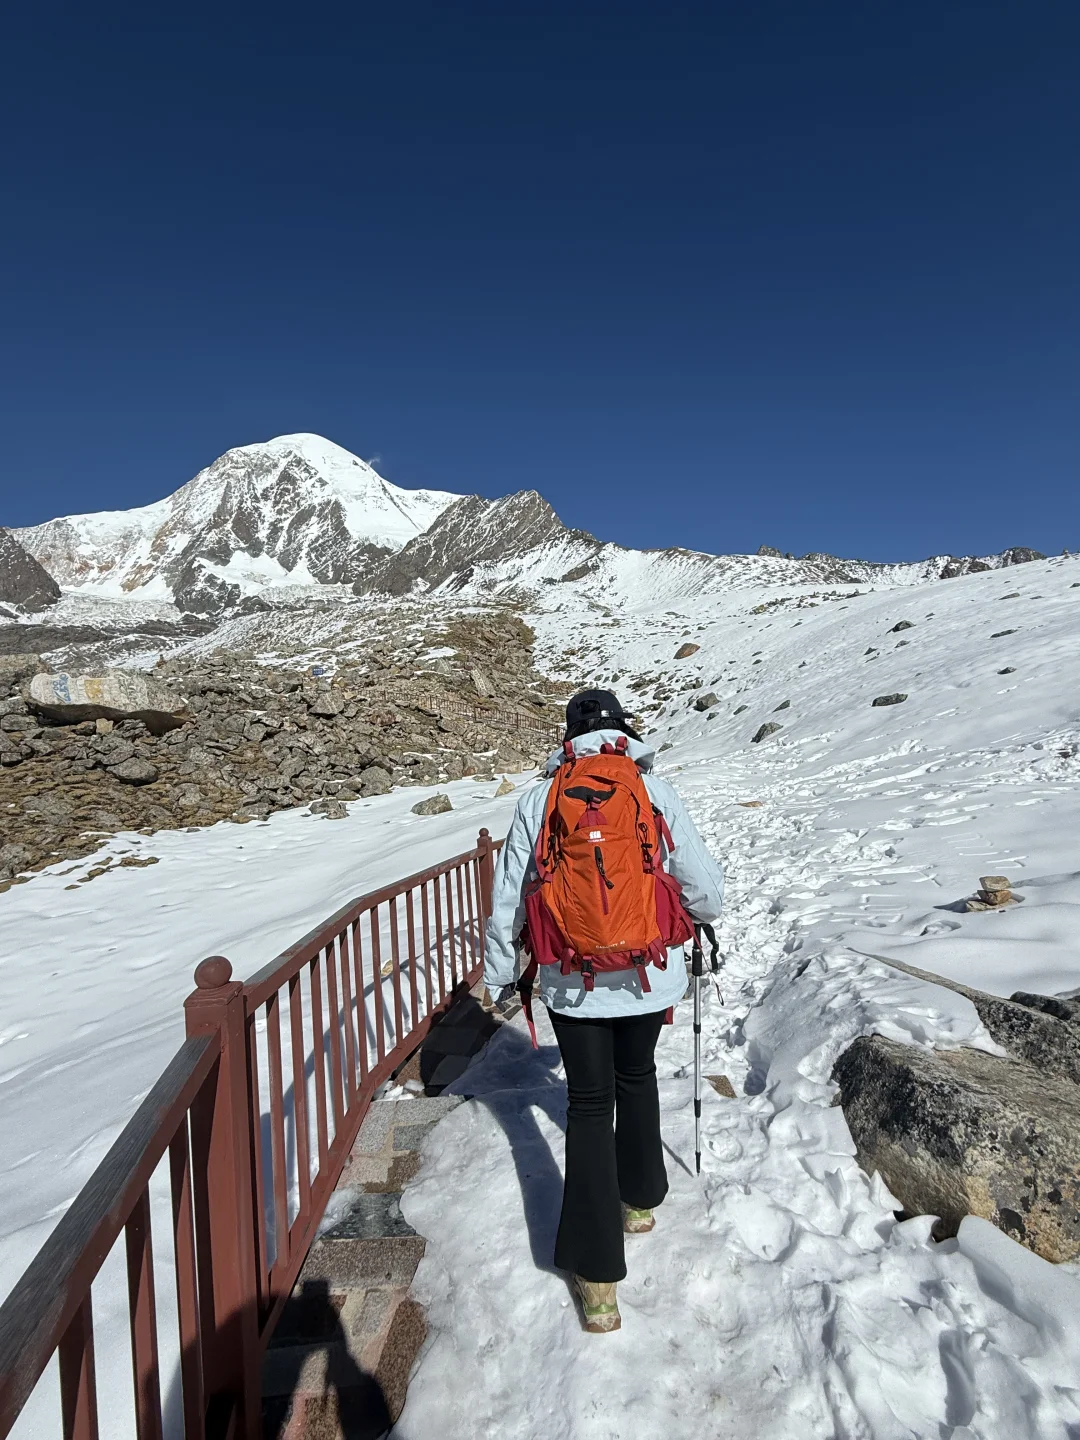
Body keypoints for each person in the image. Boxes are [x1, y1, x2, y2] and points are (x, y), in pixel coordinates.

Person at [483, 689, 724, 1333]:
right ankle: (640, 1199)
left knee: (588, 1103)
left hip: (571, 979)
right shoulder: (652, 790)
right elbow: (706, 886)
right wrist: (693, 918)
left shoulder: (540, 799)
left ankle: (596, 1281)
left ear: (568, 738)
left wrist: (500, 975)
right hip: (647, 975)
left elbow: (511, 892)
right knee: (636, 1074)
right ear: (623, 733)